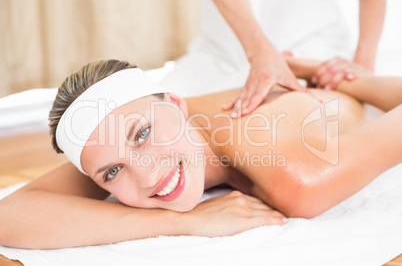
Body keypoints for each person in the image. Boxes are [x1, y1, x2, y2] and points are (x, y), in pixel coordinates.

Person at [0, 58, 400, 250]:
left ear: (177, 105)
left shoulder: (296, 178)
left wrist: (361, 84)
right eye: (111, 173)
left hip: (325, 97)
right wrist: (189, 222)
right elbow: (10, 216)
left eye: (141, 135)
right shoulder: (119, 134)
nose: (146, 175)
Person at [161, 0, 386, 118]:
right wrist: (260, 52)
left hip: (311, 42)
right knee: (156, 115)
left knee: (300, 123)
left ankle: (298, 68)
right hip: (220, 51)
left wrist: (363, 63)